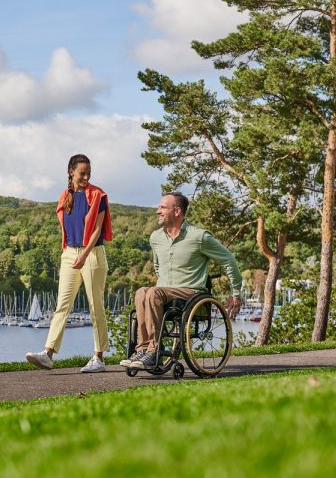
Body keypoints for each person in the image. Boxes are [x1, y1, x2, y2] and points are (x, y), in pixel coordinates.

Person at [121, 192, 243, 371]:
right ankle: (143, 349)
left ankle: (154, 350)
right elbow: (157, 266)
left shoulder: (199, 237)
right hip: (163, 292)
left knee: (154, 292)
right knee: (141, 292)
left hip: (191, 292)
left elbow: (228, 260)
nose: (157, 211)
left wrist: (236, 293)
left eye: (162, 207)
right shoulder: (155, 237)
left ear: (177, 211)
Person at [26, 154, 112, 373]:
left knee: (95, 306)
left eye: (88, 173)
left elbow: (97, 230)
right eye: (82, 173)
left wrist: (84, 255)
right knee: (61, 305)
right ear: (71, 172)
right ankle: (47, 354)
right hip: (69, 253)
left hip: (92, 254)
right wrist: (70, 253)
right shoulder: (65, 195)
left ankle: (99, 357)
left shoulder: (98, 195)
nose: (85, 177)